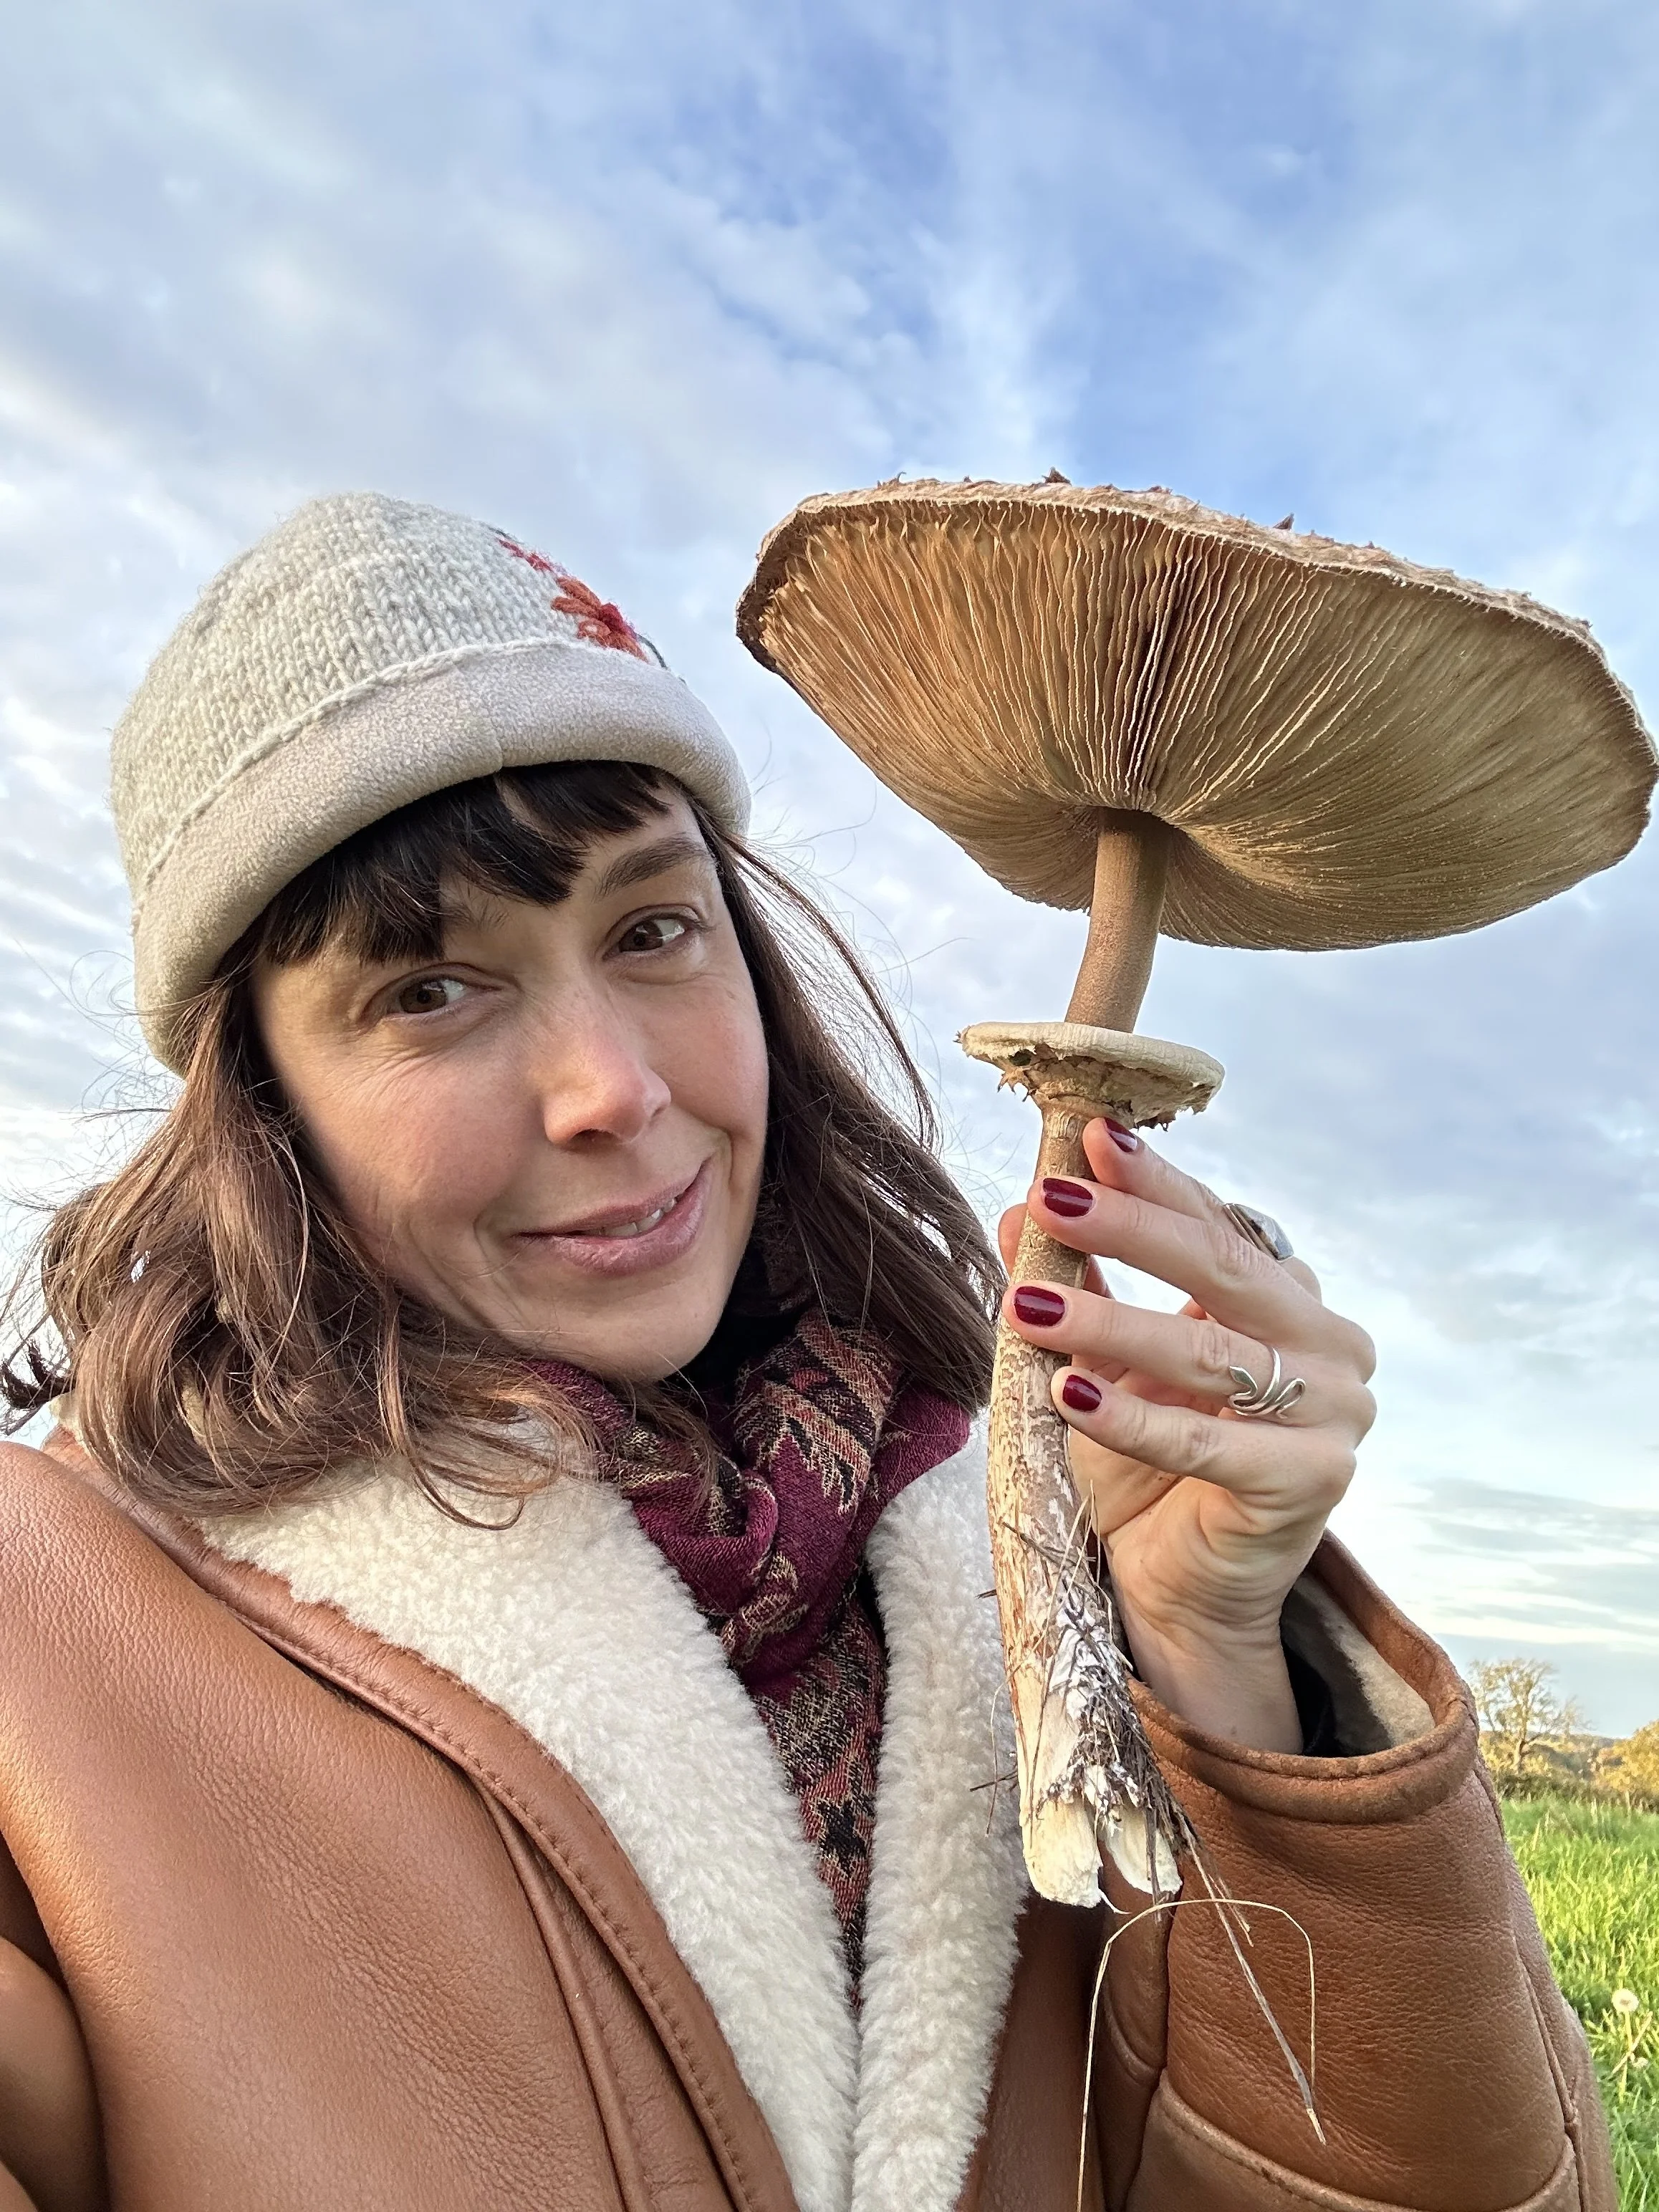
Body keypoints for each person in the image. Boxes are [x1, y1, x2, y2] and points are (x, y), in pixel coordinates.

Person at [0, 494, 1611, 2212]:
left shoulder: (1027, 1558)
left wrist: (1228, 1670)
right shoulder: (52, 1649)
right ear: (259, 1097)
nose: (614, 1087)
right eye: (427, 991)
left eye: (649, 927)